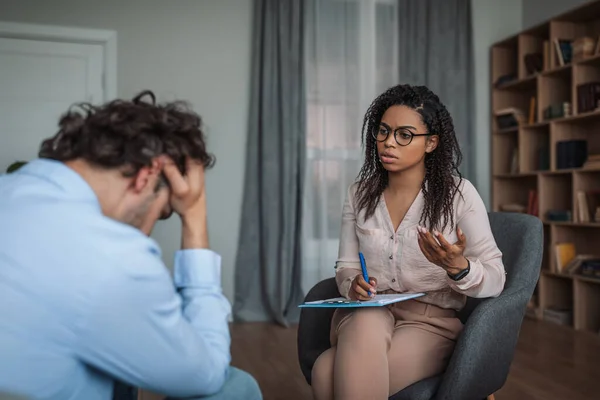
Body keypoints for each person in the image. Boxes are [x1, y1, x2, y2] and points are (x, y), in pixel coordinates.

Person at [0, 91, 262, 400]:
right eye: (162, 213)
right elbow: (207, 373)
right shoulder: (113, 254)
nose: (147, 232)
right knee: (233, 386)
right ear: (147, 176)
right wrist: (193, 215)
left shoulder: (12, 187)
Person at [311, 84, 506, 400]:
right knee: (368, 317)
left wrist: (459, 267)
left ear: (431, 143)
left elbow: (496, 277)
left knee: (324, 373)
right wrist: (352, 284)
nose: (388, 142)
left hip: (430, 323)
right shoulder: (358, 194)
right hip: (363, 314)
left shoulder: (459, 195)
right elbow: (346, 266)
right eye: (383, 131)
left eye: (404, 135)